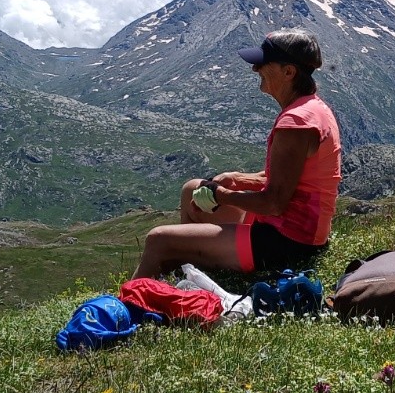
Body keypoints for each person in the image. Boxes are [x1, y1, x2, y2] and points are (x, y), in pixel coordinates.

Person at [131, 29, 342, 280]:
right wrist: (237, 177)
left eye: (263, 63)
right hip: (296, 230)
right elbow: (290, 177)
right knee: (191, 190)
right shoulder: (313, 108)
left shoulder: (296, 123)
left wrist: (223, 196)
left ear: (289, 72)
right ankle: (188, 271)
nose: (255, 70)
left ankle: (127, 308)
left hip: (288, 243)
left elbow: (274, 203)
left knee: (158, 240)